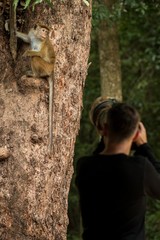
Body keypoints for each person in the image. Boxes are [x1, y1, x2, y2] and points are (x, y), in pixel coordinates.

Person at [75, 102, 160, 240]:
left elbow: (99, 157)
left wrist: (104, 133)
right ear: (136, 134)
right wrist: (144, 146)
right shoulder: (140, 168)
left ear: (104, 128)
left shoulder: (84, 166)